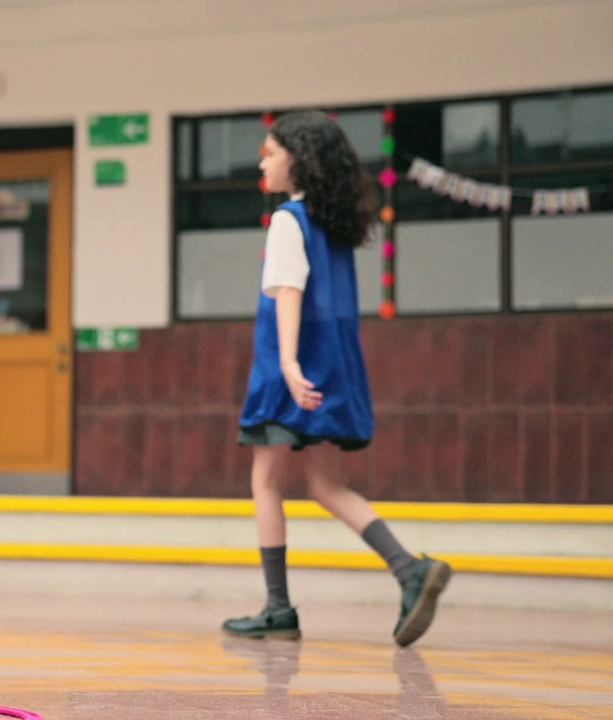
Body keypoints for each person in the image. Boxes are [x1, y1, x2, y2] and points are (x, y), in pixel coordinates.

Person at [222, 111, 449, 648]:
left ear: (297, 161)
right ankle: (408, 570)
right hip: (336, 366)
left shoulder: (286, 220)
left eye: (271, 152)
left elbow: (287, 294)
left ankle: (278, 609)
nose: (263, 160)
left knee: (266, 482)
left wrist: (288, 365)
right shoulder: (332, 225)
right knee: (326, 484)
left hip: (292, 369)